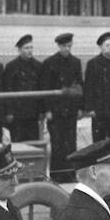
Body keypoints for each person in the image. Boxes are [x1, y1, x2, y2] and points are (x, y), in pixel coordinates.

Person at [41, 32, 83, 182]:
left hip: (70, 110)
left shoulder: (76, 63)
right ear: (59, 46)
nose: (67, 49)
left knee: (71, 143)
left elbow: (79, 86)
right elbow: (46, 88)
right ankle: (57, 175)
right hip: (56, 111)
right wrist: (47, 110)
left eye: (69, 46)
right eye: (64, 46)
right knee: (57, 145)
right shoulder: (50, 63)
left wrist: (79, 108)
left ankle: (70, 174)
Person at [84, 32, 110, 142]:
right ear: (100, 47)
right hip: (99, 110)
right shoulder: (92, 64)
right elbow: (88, 87)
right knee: (99, 141)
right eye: (107, 45)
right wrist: (90, 108)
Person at [2, 34, 44, 142]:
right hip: (18, 113)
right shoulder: (11, 67)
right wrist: (9, 112)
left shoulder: (38, 66)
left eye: (31, 47)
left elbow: (41, 88)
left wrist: (41, 111)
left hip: (33, 112)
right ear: (19, 50)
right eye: (26, 48)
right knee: (18, 142)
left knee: (34, 142)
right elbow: (8, 89)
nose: (29, 51)